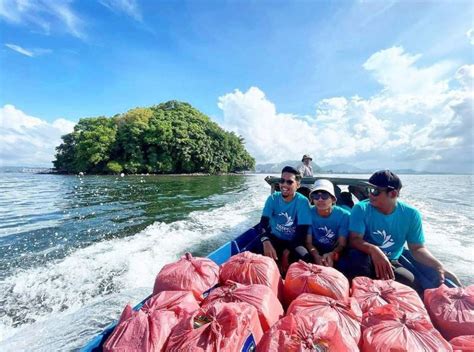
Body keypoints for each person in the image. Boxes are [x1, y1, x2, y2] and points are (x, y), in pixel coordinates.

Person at [347, 170, 461, 290]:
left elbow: (417, 249)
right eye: (368, 190)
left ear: (393, 193)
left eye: (375, 191)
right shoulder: (361, 209)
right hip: (365, 256)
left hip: (392, 261)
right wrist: (374, 250)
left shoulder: (411, 214)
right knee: (358, 267)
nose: (370, 194)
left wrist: (438, 265)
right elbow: (354, 240)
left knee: (412, 284)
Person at [259, 166, 312, 273]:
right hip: (274, 238)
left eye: (289, 182)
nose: (284, 185)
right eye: (282, 181)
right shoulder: (273, 198)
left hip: (293, 241)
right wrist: (266, 241)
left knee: (305, 258)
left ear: (298, 185)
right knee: (256, 255)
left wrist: (287, 252)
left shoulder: (303, 202)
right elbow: (263, 223)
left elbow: (302, 233)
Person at [305, 179, 350, 268]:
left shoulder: (344, 216)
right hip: (314, 249)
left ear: (333, 199)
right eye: (316, 196)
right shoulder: (307, 213)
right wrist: (316, 256)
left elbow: (342, 244)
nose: (320, 199)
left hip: (335, 251)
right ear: (312, 199)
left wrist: (332, 254)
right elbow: (308, 242)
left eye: (325, 195)